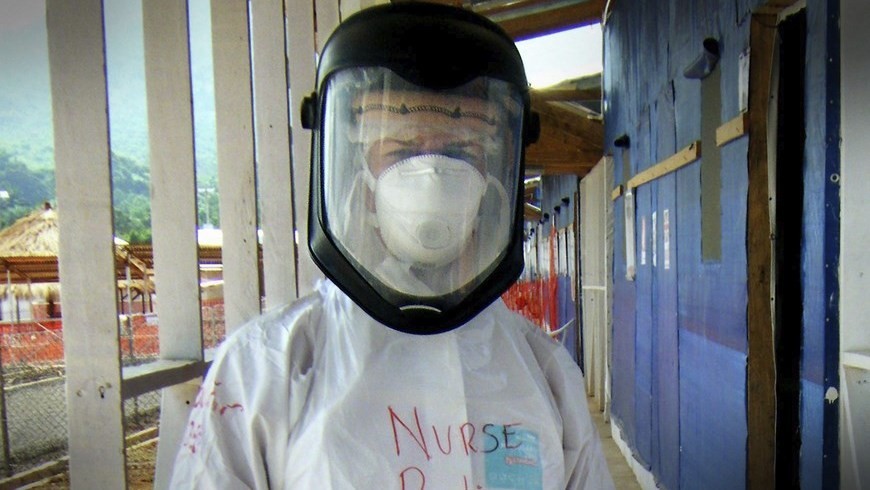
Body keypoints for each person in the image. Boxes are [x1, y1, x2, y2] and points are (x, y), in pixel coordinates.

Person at [170, 3, 615, 488]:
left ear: (493, 179)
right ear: (358, 176)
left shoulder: (547, 374)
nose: (433, 176)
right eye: (402, 150)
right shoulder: (263, 369)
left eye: (460, 151)